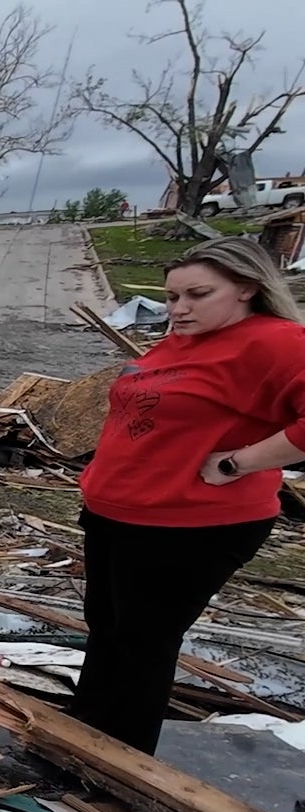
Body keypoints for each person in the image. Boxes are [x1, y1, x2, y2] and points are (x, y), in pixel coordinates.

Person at [74, 237, 305, 754]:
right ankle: (81, 733)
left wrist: (236, 463)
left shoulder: (275, 342)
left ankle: (119, 758)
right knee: (107, 631)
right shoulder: (183, 341)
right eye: (173, 297)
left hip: (190, 524)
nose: (179, 309)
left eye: (198, 294)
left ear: (247, 287)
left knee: (143, 643)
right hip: (117, 514)